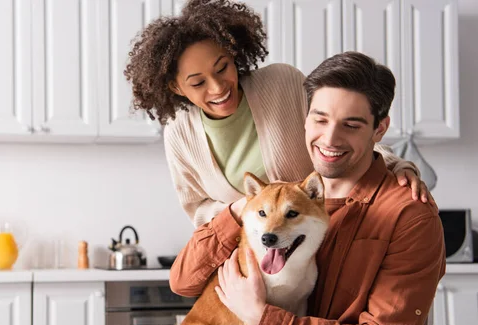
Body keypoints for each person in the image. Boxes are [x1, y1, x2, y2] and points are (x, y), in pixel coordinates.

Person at [172, 51, 446, 325]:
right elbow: (183, 280)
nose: (329, 139)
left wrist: (261, 317)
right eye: (320, 119)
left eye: (351, 125)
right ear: (305, 119)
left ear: (379, 128)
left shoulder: (409, 216)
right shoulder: (292, 195)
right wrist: (241, 210)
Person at [124, 0, 430, 229]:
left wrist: (396, 165)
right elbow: (197, 208)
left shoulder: (281, 82)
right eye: (198, 82)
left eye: (223, 68)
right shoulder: (179, 132)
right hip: (258, 258)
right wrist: (247, 208)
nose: (218, 87)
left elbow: (337, 132)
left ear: (234, 54)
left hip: (331, 235)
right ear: (175, 87)